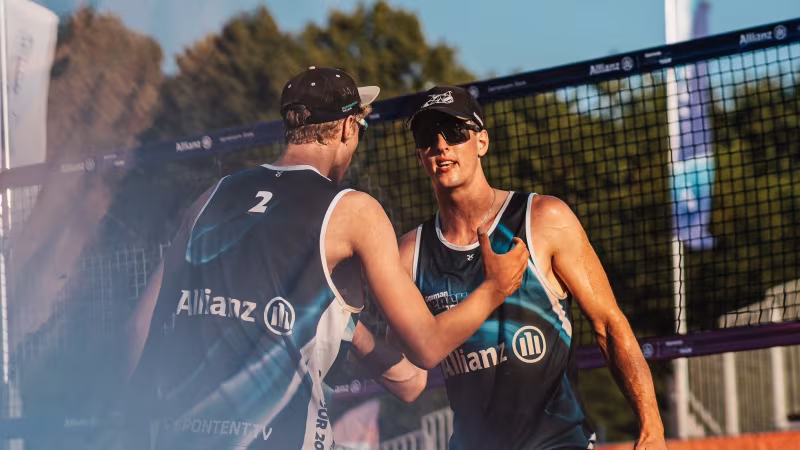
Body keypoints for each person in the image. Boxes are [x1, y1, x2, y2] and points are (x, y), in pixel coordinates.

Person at [122, 68, 529, 450]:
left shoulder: (211, 197)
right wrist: (496, 288)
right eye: (362, 128)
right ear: (350, 128)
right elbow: (426, 347)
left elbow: (137, 328)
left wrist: (347, 328)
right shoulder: (353, 212)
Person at [398, 86, 667, 450]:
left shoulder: (542, 218)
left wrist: (651, 425)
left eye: (455, 132)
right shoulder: (410, 253)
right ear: (419, 154)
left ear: (481, 142)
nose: (442, 145)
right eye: (428, 135)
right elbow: (404, 369)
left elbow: (608, 324)